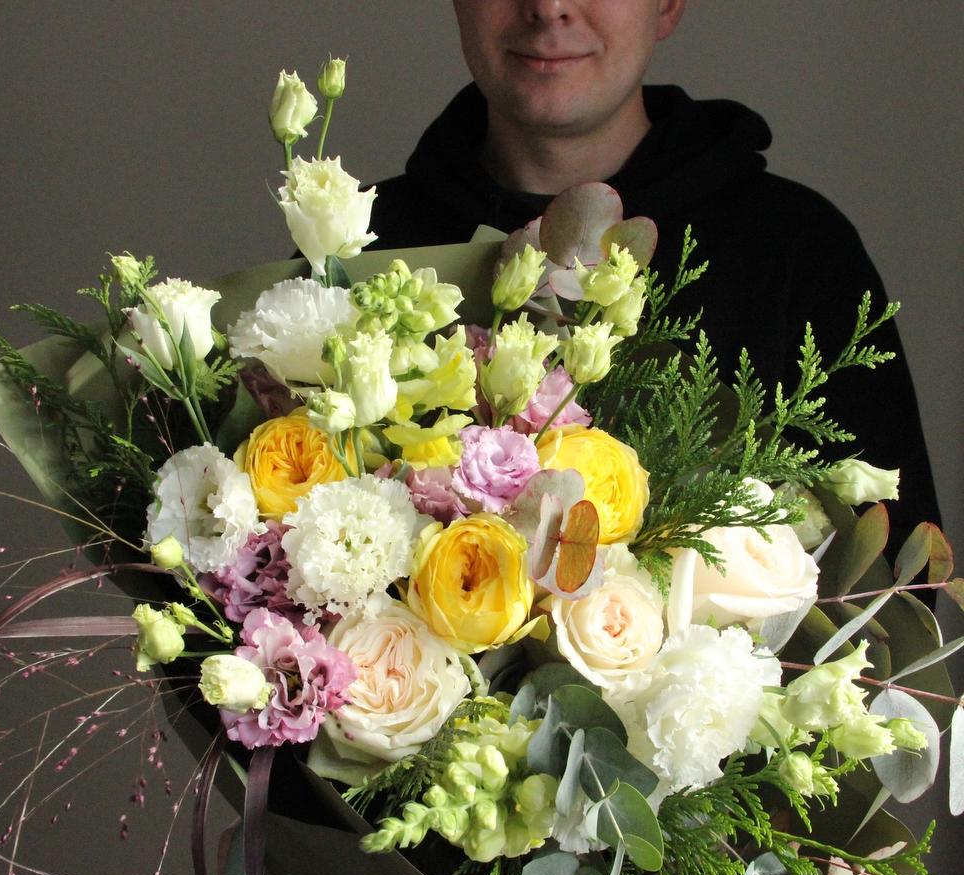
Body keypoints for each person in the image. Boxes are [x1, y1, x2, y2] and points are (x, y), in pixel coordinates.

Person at [369, 0, 940, 556]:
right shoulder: (363, 242)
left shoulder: (797, 246)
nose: (548, 7)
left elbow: (889, 578)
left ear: (667, 5)